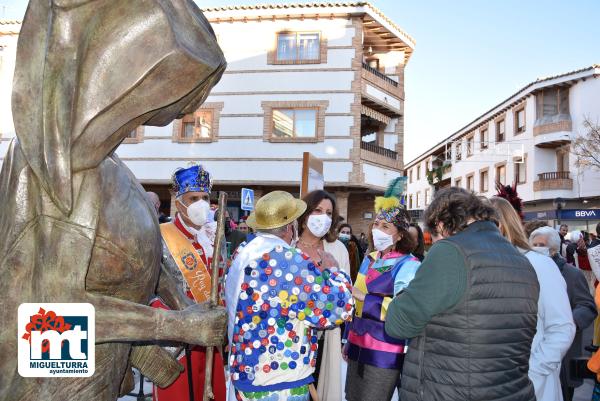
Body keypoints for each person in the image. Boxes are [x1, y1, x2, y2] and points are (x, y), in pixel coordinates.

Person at [385, 187, 540, 401]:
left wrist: (405, 292)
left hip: (450, 390)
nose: (435, 242)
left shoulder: (450, 251)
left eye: (434, 236)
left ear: (440, 224)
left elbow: (398, 323)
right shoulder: (521, 260)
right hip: (512, 391)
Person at [224, 191, 354, 401]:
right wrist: (334, 272)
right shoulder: (288, 261)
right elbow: (339, 308)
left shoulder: (243, 251)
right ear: (290, 226)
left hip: (245, 372)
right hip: (278, 383)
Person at [151, 164, 226, 401]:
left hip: (210, 342)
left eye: (205, 197)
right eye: (193, 198)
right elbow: (148, 291)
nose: (201, 203)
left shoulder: (215, 236)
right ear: (178, 200)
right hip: (176, 343)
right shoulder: (160, 235)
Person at [491, 197, 575, 401]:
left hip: (533, 387)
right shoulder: (483, 267)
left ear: (500, 226)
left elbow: (562, 327)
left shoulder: (539, 264)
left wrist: (532, 371)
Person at [344, 178, 421, 401]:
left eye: (385, 226)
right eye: (376, 224)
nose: (377, 229)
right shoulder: (370, 259)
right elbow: (355, 304)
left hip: (385, 349)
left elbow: (404, 310)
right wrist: (349, 339)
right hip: (358, 344)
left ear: (400, 235)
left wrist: (365, 298)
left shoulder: (409, 265)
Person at [529, 226, 597, 401]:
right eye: (533, 245)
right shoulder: (527, 271)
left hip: (563, 353)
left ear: (553, 250)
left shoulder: (572, 274)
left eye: (541, 245)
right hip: (535, 353)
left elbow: (588, 306)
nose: (537, 249)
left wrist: (568, 321)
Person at [296, 190, 351, 401]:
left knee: (321, 387)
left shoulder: (338, 249)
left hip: (325, 337)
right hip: (294, 337)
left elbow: (345, 294)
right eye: (318, 210)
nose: (323, 218)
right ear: (304, 215)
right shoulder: (289, 246)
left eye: (329, 213)